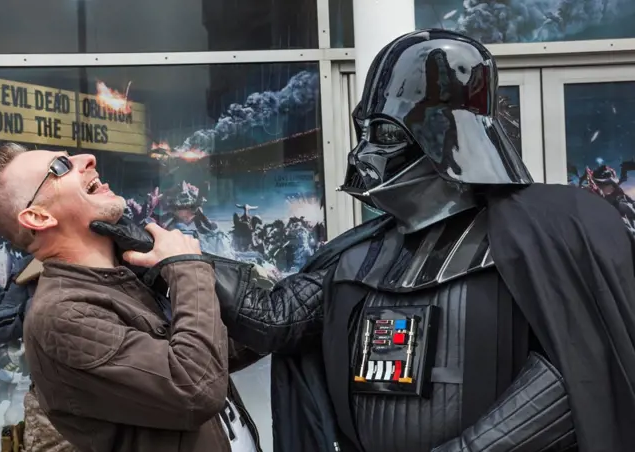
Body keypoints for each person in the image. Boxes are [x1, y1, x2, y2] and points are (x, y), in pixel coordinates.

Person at [95, 29, 635, 452]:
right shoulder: (361, 251)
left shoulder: (559, 230)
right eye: (366, 132)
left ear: (447, 137)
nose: (365, 153)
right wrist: (160, 250)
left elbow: (582, 369)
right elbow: (279, 316)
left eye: (388, 134)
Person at [0, 143, 263, 452]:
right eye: (60, 166)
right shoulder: (61, 315)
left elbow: (214, 354)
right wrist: (187, 267)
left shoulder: (123, 278)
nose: (87, 159)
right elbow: (195, 388)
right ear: (39, 217)